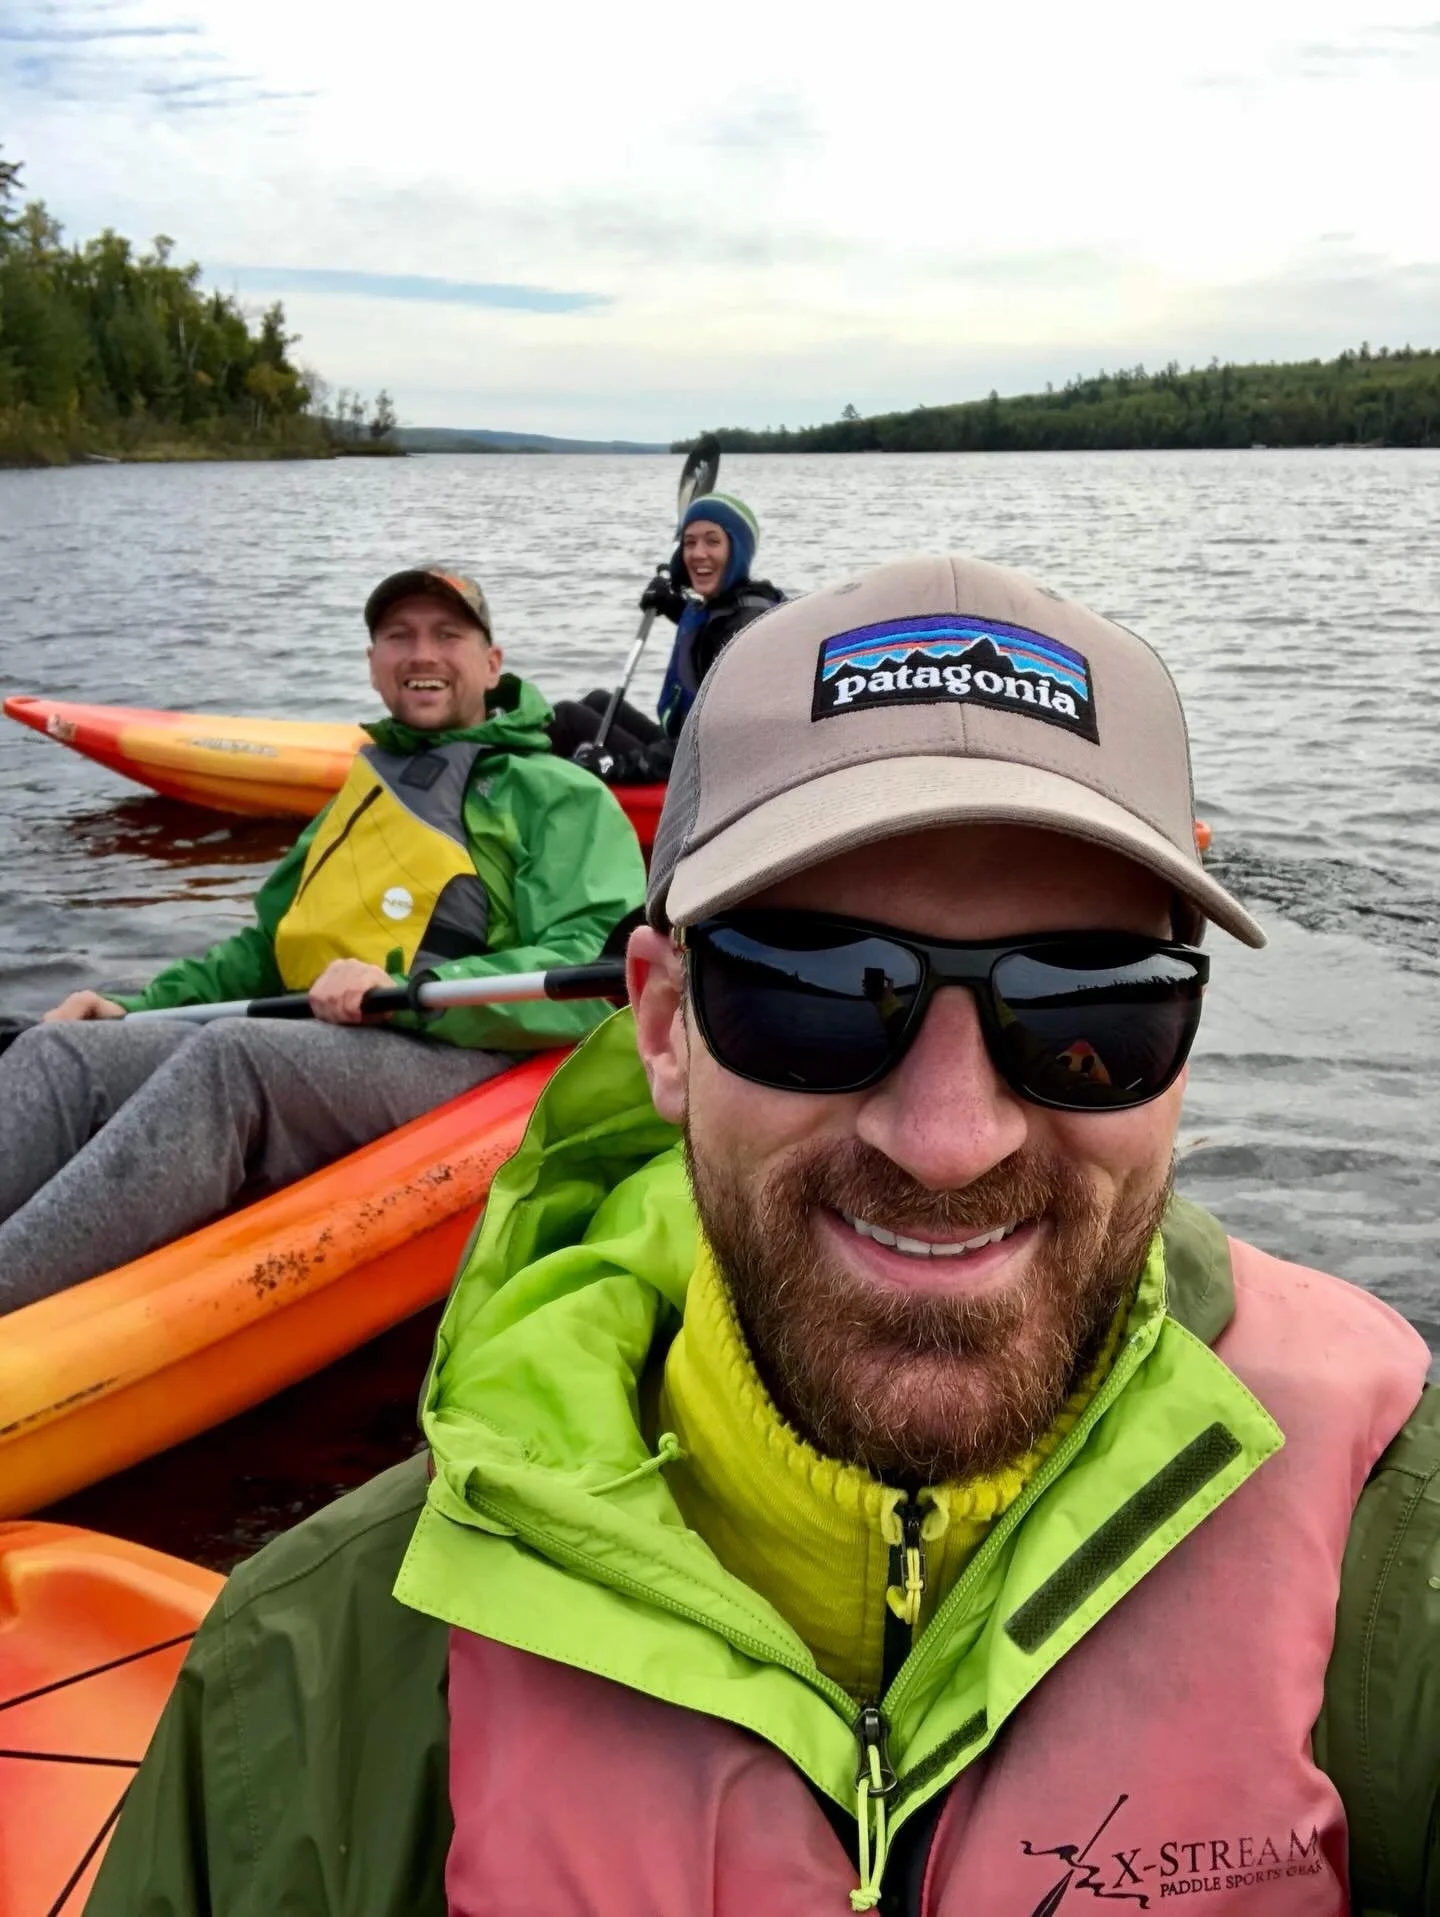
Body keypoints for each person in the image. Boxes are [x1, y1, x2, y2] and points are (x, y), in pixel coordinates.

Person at [88, 555, 1439, 1915]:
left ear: (1188, 1046)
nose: (950, 1138)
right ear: (665, 1027)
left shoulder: (1393, 1561)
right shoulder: (307, 1689)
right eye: (817, 995)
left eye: (1092, 1009)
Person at [0, 566, 645, 1308]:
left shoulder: (556, 794)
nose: (422, 653)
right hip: (330, 1038)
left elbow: (596, 974)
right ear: (374, 666)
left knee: (231, 1060)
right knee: (62, 1050)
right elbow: (267, 948)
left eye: (448, 634)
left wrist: (403, 992)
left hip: (469, 1051)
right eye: (398, 636)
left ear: (491, 663)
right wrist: (133, 1004)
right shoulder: (364, 786)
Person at [550, 491, 784, 782]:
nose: (698, 553)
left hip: (704, 774)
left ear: (737, 551)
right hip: (688, 750)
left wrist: (617, 766)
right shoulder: (732, 603)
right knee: (598, 700)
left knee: (565, 718)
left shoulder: (744, 631)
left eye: (713, 541)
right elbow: (706, 632)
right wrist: (672, 605)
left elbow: (715, 742)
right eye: (689, 543)